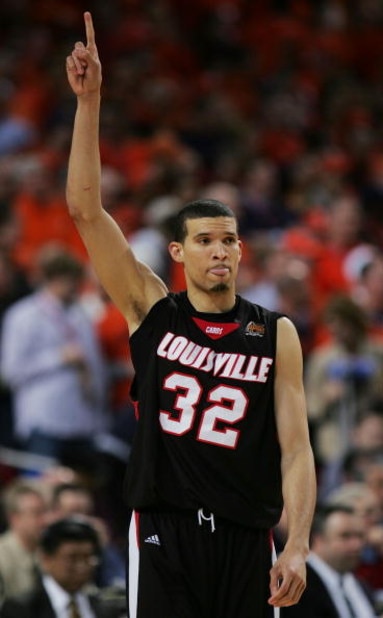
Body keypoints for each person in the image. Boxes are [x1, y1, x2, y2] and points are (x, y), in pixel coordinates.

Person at [65, 12, 316, 618]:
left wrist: (299, 544)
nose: (220, 250)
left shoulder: (274, 331)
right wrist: (91, 101)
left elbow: (296, 450)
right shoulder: (150, 308)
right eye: (205, 240)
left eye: (228, 239)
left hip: (245, 534)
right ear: (178, 251)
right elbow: (84, 209)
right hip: (164, 527)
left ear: (240, 248)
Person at [0, 244, 108, 475]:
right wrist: (57, 358)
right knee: (42, 488)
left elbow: (95, 366)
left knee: (84, 490)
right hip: (44, 420)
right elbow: (11, 371)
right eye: (70, 281)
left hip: (82, 421)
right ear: (54, 278)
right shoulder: (23, 315)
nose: (75, 288)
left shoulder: (80, 315)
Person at [0, 517, 125, 618]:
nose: (82, 566)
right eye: (72, 558)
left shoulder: (104, 606)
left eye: (87, 558)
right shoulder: (21, 608)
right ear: (46, 559)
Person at [282, 504, 380, 617]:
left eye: (360, 536)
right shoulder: (296, 581)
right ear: (318, 539)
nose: (356, 545)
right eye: (345, 536)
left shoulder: (359, 584)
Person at [0, 479, 48, 599]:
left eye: (45, 512)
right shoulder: (2, 557)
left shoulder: (49, 551)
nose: (44, 521)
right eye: (36, 513)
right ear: (14, 518)